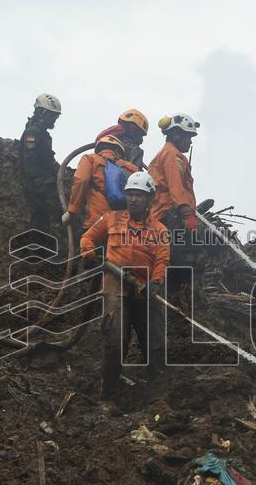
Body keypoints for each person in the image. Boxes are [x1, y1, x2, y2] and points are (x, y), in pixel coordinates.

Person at [80, 172, 170, 413]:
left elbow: (162, 259)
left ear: (149, 198)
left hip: (145, 286)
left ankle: (157, 396)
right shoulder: (111, 219)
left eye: (139, 195)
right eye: (130, 194)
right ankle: (108, 396)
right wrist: (89, 254)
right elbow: (87, 238)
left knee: (154, 340)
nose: (133, 199)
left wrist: (157, 282)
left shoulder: (160, 229)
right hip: (115, 283)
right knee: (115, 338)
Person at [148, 113, 202, 297]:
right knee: (182, 256)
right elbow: (175, 186)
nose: (190, 142)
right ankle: (173, 294)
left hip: (165, 213)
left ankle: (171, 291)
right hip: (170, 214)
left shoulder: (166, 154)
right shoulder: (172, 155)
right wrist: (187, 214)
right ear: (176, 135)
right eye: (188, 136)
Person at [63, 135, 139, 233]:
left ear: (99, 148)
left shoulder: (90, 159)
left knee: (85, 243)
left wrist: (72, 211)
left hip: (98, 222)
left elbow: (81, 180)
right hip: (127, 226)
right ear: (118, 152)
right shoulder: (131, 168)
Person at [19, 93, 62, 232]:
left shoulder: (43, 134)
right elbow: (29, 164)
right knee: (40, 221)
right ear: (42, 113)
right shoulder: (33, 132)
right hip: (37, 189)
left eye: (56, 116)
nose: (55, 119)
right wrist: (43, 187)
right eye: (52, 115)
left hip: (43, 185)